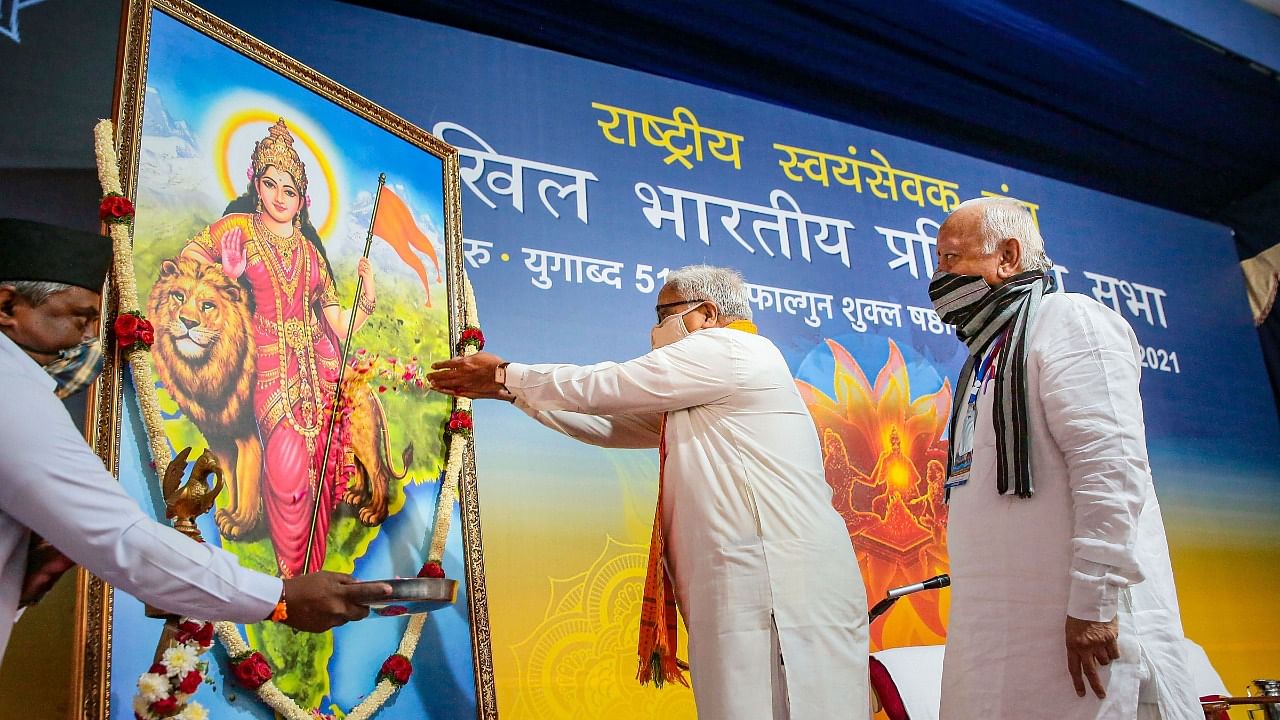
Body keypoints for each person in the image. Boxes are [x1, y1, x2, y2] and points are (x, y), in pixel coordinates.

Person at [428, 265, 868, 720]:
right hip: (751, 582)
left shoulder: (731, 348)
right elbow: (605, 423)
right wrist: (512, 393)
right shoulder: (705, 386)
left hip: (779, 582)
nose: (654, 330)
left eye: (663, 314)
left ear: (705, 315)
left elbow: (607, 385)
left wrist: (507, 373)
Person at [0, 217, 390, 666]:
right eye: (78, 319)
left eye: (94, 321)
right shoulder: (13, 393)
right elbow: (122, 540)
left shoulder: (308, 258)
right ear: (8, 308)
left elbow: (336, 319)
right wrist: (278, 597)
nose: (89, 338)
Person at [928, 197, 1201, 719]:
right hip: (1000, 632)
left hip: (1080, 627)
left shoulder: (1069, 321)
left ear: (1008, 256)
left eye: (952, 259)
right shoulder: (989, 355)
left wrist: (1094, 605)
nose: (940, 278)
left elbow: (1111, 469)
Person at [180, 118, 376, 576]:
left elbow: (339, 328)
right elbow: (191, 261)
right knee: (288, 475)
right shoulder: (239, 229)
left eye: (289, 190)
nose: (279, 197)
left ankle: (313, 575)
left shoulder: (309, 253)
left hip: (312, 374)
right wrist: (226, 275)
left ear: (302, 200)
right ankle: (292, 581)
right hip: (265, 366)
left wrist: (364, 305)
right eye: (270, 184)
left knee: (322, 474)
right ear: (256, 184)